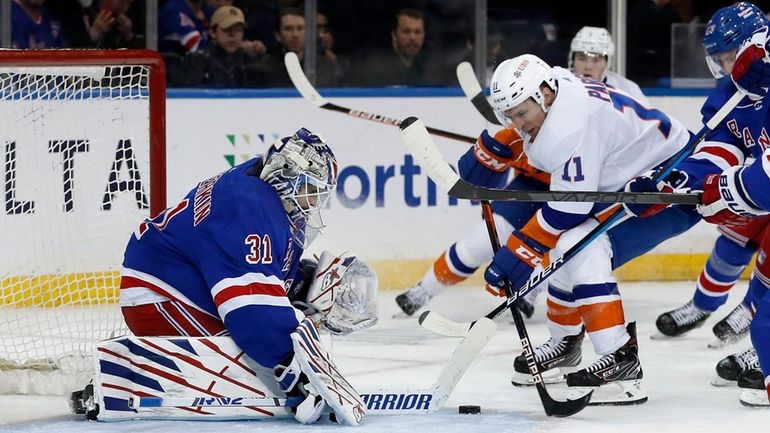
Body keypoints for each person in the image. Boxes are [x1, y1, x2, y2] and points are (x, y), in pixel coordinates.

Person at [110, 128, 378, 423]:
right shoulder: (248, 206)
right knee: (248, 358)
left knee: (268, 334)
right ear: (287, 176)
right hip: (159, 293)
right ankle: (148, 378)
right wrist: (294, 371)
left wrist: (302, 286)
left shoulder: (261, 190)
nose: (313, 203)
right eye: (310, 191)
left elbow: (253, 268)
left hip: (185, 279)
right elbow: (251, 312)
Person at [477, 53, 695, 405]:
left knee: (581, 246)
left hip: (671, 184)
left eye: (521, 114)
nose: (518, 124)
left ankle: (621, 361)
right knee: (567, 244)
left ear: (545, 94)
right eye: (509, 116)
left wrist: (521, 250)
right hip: (633, 178)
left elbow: (569, 207)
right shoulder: (559, 92)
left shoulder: (574, 126)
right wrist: (512, 142)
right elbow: (566, 180)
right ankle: (566, 343)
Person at [394, 26, 651, 319]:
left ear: (608, 60)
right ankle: (424, 290)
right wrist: (512, 150)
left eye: (596, 57)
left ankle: (530, 290)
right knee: (479, 242)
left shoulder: (627, 93)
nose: (589, 64)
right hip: (536, 183)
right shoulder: (550, 85)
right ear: (571, 58)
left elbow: (634, 150)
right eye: (582, 56)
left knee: (558, 239)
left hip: (588, 190)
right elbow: (523, 137)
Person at [632, 3, 769, 349]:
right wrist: (678, 178)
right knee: (732, 241)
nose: (725, 67)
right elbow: (721, 149)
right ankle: (703, 305)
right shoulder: (729, 97)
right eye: (718, 59)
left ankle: (752, 314)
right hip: (759, 185)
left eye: (727, 56)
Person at [172, 5, 264, 87]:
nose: (232, 35)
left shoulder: (249, 61)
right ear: (213, 32)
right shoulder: (197, 61)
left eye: (238, 29)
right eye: (226, 29)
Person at [256, 7, 339, 88]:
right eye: (288, 29)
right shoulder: (263, 68)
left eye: (300, 28)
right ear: (278, 35)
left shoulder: (325, 67)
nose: (295, 35)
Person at [568, 26, 649, 105]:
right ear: (572, 60)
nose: (588, 67)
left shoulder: (627, 90)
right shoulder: (558, 86)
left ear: (608, 62)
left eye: (596, 60)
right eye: (582, 59)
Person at [353, 8, 432, 86]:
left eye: (418, 32)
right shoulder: (374, 68)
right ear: (394, 35)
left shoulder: (428, 67)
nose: (413, 37)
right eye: (406, 31)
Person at [64, 0, 143, 49]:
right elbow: (72, 49)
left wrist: (129, 38)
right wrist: (94, 33)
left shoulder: (126, 24)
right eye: (120, 0)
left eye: (128, 3)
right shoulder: (81, 16)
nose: (124, 6)